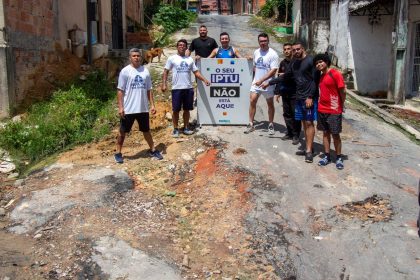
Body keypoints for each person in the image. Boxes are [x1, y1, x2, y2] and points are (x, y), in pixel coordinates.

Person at [264, 42, 317, 163]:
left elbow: (315, 80)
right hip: (299, 97)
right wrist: (269, 82)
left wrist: (310, 96)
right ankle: (308, 147)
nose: (296, 51)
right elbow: (285, 76)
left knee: (309, 123)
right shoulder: (294, 63)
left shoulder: (310, 60)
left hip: (308, 98)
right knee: (304, 122)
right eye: (294, 50)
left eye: (298, 49)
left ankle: (309, 151)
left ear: (303, 49)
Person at [114, 48, 163, 164]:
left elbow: (149, 90)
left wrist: (152, 105)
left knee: (146, 131)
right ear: (130, 58)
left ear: (141, 57)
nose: (136, 57)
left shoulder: (145, 71)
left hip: (143, 108)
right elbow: (120, 90)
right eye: (134, 56)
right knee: (123, 131)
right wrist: (121, 107)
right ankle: (118, 153)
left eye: (138, 56)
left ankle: (153, 150)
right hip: (129, 109)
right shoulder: (125, 71)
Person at [162, 39, 210, 137]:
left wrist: (204, 80)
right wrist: (164, 84)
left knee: (187, 110)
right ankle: (175, 129)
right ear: (177, 47)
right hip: (176, 88)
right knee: (176, 110)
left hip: (188, 88)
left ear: (186, 47)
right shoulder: (172, 58)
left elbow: (196, 72)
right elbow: (166, 71)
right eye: (180, 45)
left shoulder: (189, 59)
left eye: (184, 45)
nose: (182, 46)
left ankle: (186, 127)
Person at [314, 53, 346, 170]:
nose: (319, 64)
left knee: (335, 134)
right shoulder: (321, 76)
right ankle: (327, 156)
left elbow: (342, 91)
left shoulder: (335, 74)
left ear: (326, 62)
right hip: (322, 109)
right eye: (317, 63)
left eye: (321, 62)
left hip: (334, 109)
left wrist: (341, 104)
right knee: (325, 133)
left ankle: (338, 157)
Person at [244, 33, 279, 135]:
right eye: (261, 41)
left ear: (268, 41)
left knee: (270, 104)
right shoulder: (256, 52)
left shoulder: (273, 54)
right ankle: (250, 123)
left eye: (265, 41)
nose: (263, 43)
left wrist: (263, 80)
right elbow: (255, 66)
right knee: (252, 100)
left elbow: (273, 71)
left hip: (268, 84)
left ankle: (271, 124)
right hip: (256, 83)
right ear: (258, 42)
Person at [275, 43, 301, 145]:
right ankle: (289, 132)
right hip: (285, 92)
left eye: (289, 49)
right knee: (287, 114)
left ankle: (296, 135)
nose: (287, 51)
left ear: (292, 50)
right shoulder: (282, 63)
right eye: (285, 49)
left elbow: (297, 77)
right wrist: (278, 92)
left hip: (295, 93)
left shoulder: (297, 62)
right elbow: (280, 78)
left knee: (295, 115)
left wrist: (286, 75)